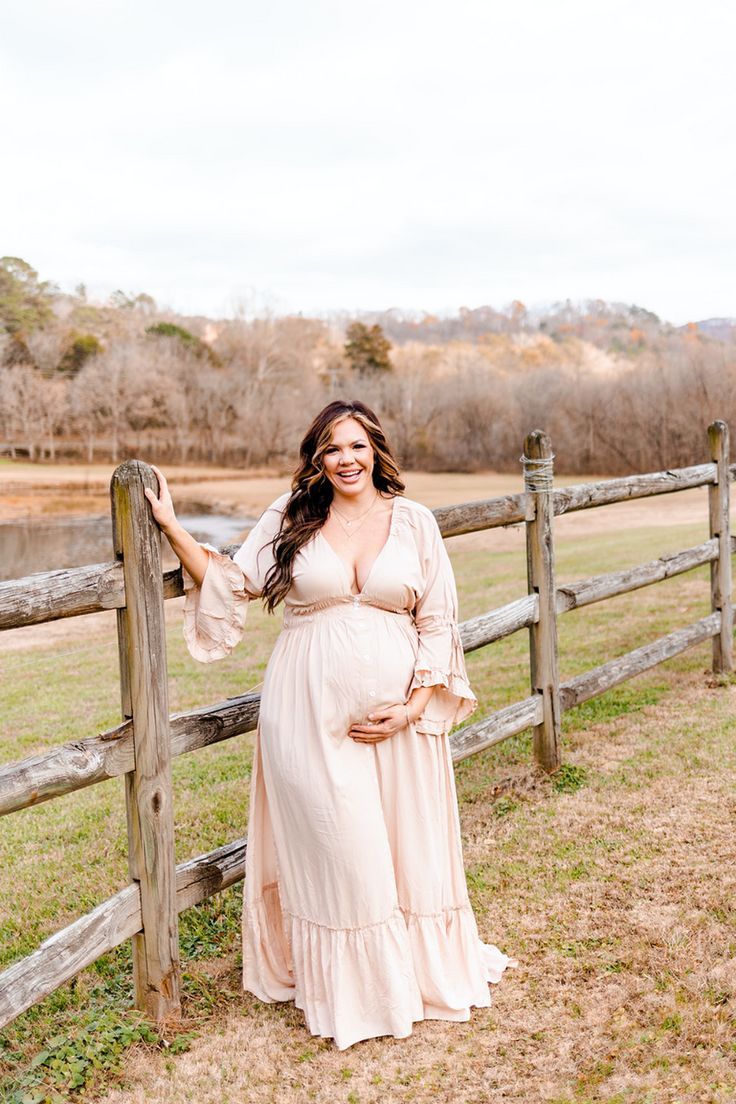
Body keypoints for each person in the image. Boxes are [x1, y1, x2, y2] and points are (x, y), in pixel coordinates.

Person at [145, 398, 517, 1050]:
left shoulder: (414, 522)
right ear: (317, 458)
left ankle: (410, 976)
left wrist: (411, 706)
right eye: (331, 449)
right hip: (306, 715)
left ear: (375, 450)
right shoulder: (292, 518)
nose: (345, 459)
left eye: (356, 446)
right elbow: (234, 584)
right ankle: (354, 996)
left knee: (404, 850)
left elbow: (438, 619)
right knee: (344, 852)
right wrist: (174, 527)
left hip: (399, 715)